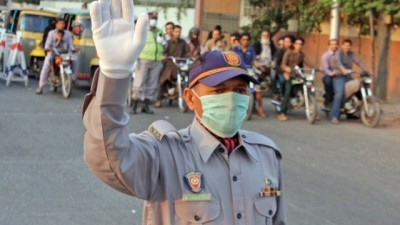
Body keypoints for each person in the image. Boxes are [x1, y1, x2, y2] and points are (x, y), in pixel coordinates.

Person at [83, 2, 287, 224]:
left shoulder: (267, 155)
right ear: (191, 98)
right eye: (219, 90)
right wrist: (115, 75)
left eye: (239, 90)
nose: (231, 99)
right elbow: (109, 159)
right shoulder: (164, 154)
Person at [130, 12, 164, 114]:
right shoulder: (143, 30)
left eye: (156, 17)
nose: (154, 19)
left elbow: (163, 44)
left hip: (157, 60)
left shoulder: (160, 31)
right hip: (143, 59)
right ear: (148, 19)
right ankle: (134, 106)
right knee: (139, 83)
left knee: (152, 85)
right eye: (152, 17)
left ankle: (146, 106)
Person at [329, 39, 369, 124]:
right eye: (345, 45)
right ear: (342, 46)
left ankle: (359, 112)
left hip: (348, 76)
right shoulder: (338, 53)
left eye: (348, 45)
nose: (347, 47)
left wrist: (366, 70)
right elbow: (338, 62)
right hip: (338, 76)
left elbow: (359, 61)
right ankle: (334, 116)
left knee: (360, 88)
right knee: (339, 94)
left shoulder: (352, 53)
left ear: (350, 46)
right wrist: (343, 69)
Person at [35, 18, 75, 95]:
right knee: (46, 65)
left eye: (63, 24)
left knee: (75, 60)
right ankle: (41, 86)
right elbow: (47, 45)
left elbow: (71, 45)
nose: (61, 25)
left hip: (64, 54)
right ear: (56, 25)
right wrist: (48, 49)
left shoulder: (68, 34)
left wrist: (73, 50)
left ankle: (73, 79)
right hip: (53, 53)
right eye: (59, 24)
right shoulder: (51, 33)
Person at [278, 37, 313, 121]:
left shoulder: (301, 55)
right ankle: (282, 112)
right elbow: (282, 64)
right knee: (288, 92)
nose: (299, 46)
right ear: (294, 45)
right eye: (297, 44)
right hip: (290, 77)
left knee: (308, 86)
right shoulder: (288, 53)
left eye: (301, 44)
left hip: (297, 77)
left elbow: (309, 63)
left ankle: (312, 109)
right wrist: (287, 69)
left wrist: (316, 68)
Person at [155, 24, 189, 107]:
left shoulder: (183, 42)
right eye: (176, 31)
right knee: (163, 80)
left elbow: (187, 52)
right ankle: (158, 100)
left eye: (179, 32)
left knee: (186, 80)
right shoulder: (169, 42)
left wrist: (189, 58)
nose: (178, 33)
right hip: (169, 66)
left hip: (179, 66)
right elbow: (164, 52)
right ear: (173, 32)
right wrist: (164, 56)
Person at [233, 32, 266, 118]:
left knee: (257, 90)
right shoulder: (235, 49)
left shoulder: (251, 50)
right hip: (239, 71)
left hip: (250, 71)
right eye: (243, 39)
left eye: (247, 40)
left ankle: (260, 109)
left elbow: (254, 61)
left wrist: (259, 66)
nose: (245, 41)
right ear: (240, 40)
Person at [321, 39, 340, 109]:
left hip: (339, 74)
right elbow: (326, 68)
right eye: (332, 44)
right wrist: (331, 73)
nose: (334, 46)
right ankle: (329, 99)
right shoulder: (325, 56)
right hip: (328, 75)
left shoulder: (340, 55)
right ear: (329, 46)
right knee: (328, 81)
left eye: (335, 44)